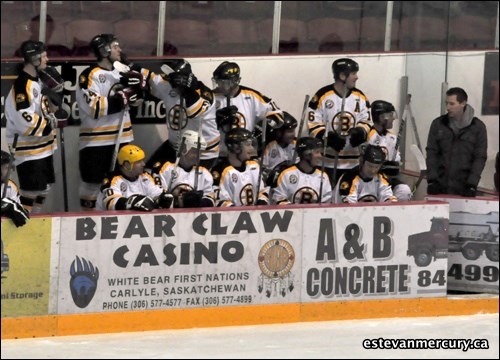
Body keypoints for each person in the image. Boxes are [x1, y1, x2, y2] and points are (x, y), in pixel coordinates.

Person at [76, 33, 144, 211]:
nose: (119, 49)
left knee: (121, 183)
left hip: (123, 137)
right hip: (96, 142)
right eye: (115, 46)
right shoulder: (89, 75)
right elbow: (94, 107)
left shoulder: (122, 71)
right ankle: (87, 220)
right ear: (104, 51)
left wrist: (138, 90)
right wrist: (123, 98)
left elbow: (137, 101)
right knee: (92, 183)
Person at [5, 40, 58, 213]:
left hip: (44, 148)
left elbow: (47, 109)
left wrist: (56, 97)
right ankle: (25, 227)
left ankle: (34, 224)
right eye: (43, 56)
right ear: (34, 59)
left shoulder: (39, 81)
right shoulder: (22, 86)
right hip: (29, 152)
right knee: (31, 192)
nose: (47, 60)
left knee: (44, 189)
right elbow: (25, 121)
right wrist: (50, 124)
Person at [143, 59, 220, 171]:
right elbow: (149, 76)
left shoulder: (205, 93)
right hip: (176, 146)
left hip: (204, 150)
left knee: (187, 182)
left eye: (174, 78)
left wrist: (185, 89)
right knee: (149, 171)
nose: (170, 81)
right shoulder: (169, 85)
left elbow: (194, 112)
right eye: (171, 77)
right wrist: (128, 66)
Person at [307, 58, 371, 187]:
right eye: (353, 73)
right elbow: (313, 124)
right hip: (326, 162)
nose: (356, 77)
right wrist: (328, 138)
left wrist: (361, 131)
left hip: (353, 162)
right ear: (342, 76)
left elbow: (367, 120)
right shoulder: (322, 96)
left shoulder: (360, 96)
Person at [211, 61, 284, 157]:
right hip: (219, 154)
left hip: (246, 154)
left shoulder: (252, 96)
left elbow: (278, 115)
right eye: (217, 82)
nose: (219, 86)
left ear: (234, 81)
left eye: (223, 82)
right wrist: (215, 120)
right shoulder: (210, 97)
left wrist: (262, 127)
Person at [426, 87, 487, 197]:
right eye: (446, 103)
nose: (448, 107)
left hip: (464, 189)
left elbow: (480, 157)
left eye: (452, 104)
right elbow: (431, 153)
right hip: (439, 187)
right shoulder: (438, 124)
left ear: (463, 103)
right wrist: (432, 180)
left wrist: (472, 184)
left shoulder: (478, 127)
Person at [97, 145, 173, 211]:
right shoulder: (112, 180)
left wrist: (162, 198)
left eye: (142, 160)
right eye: (138, 162)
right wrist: (132, 202)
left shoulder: (145, 176)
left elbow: (155, 193)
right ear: (127, 165)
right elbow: (111, 203)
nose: (143, 164)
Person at [153, 130, 215, 208]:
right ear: (184, 149)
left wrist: (198, 202)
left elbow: (211, 201)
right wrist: (183, 202)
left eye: (200, 152)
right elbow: (158, 198)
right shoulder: (163, 168)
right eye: (195, 151)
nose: (198, 156)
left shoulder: (204, 173)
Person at [366, 100, 412, 201]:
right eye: (391, 115)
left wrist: (394, 166)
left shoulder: (392, 138)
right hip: (371, 180)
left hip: (387, 180)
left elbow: (396, 160)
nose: (393, 119)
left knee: (404, 191)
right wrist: (383, 166)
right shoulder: (368, 136)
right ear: (382, 117)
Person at [211, 128, 269, 207]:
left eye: (251, 144)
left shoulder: (254, 166)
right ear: (235, 147)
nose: (251, 148)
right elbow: (221, 202)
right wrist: (238, 213)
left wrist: (261, 201)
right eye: (248, 145)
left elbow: (263, 191)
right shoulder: (220, 171)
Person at [272, 137, 332, 205]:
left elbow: (327, 203)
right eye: (317, 152)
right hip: (291, 215)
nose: (320, 156)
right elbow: (278, 199)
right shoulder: (286, 174)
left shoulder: (323, 176)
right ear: (306, 155)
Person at [1, 150, 29, 227]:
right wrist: (5, 204)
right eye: (7, 168)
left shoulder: (11, 186)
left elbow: (17, 208)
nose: (11, 171)